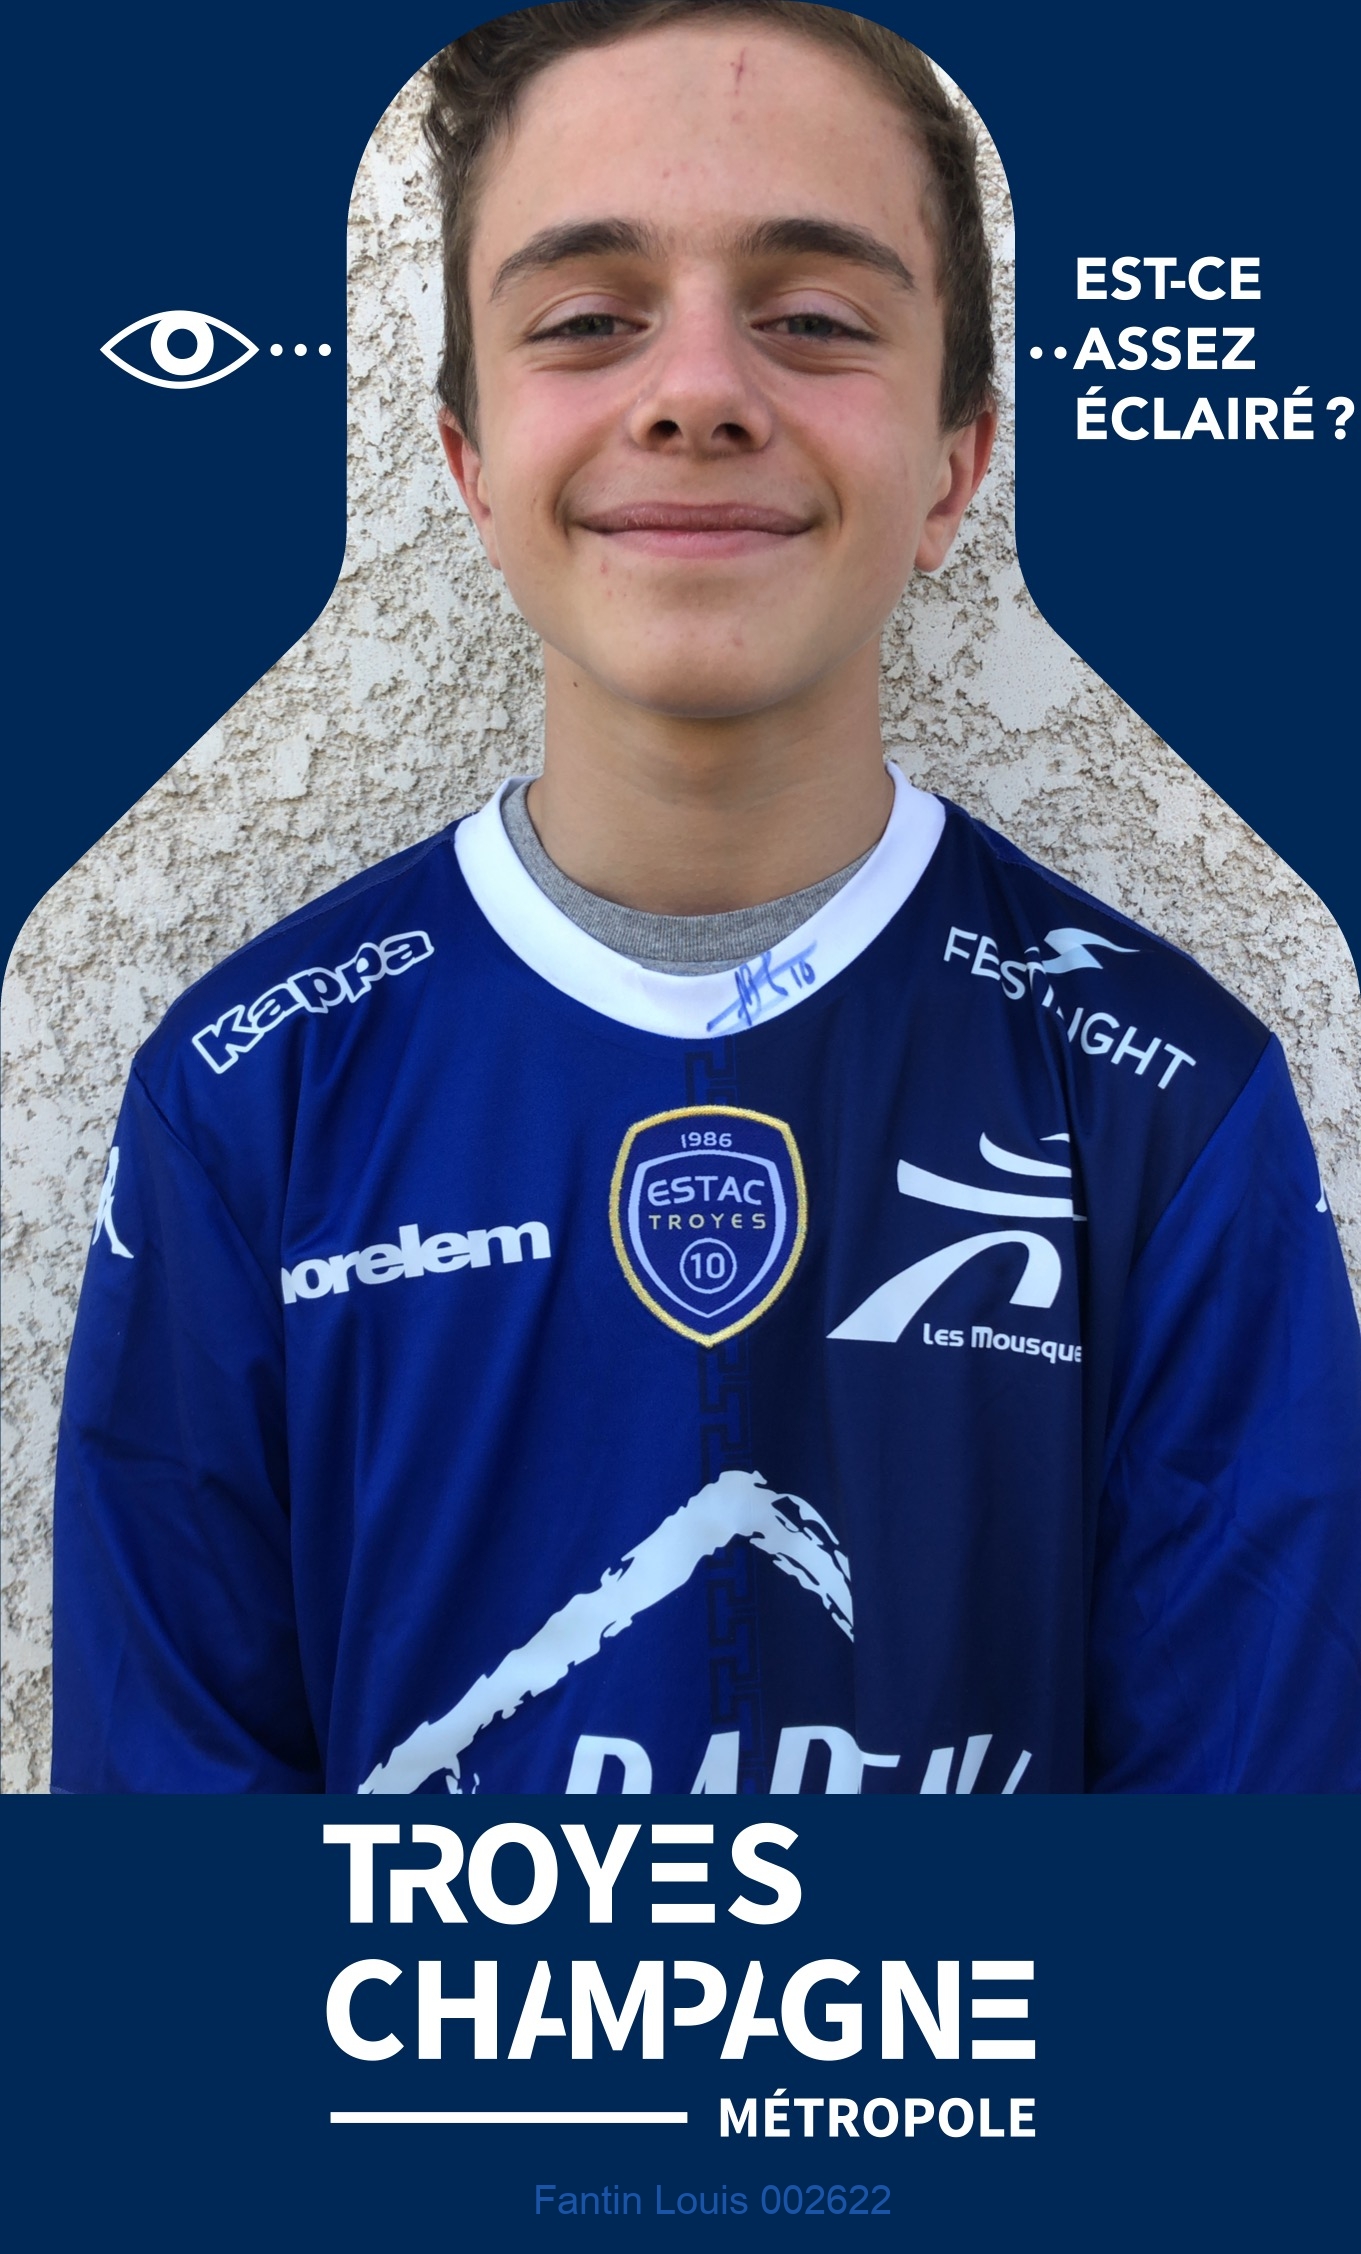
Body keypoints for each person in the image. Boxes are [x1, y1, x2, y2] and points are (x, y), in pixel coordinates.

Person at [52, 0, 1361, 1795]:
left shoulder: (1168, 1103)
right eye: (586, 320)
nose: (694, 392)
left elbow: (1252, 1903)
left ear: (955, 466)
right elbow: (162, 1897)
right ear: (468, 464)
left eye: (810, 317)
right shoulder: (244, 1094)